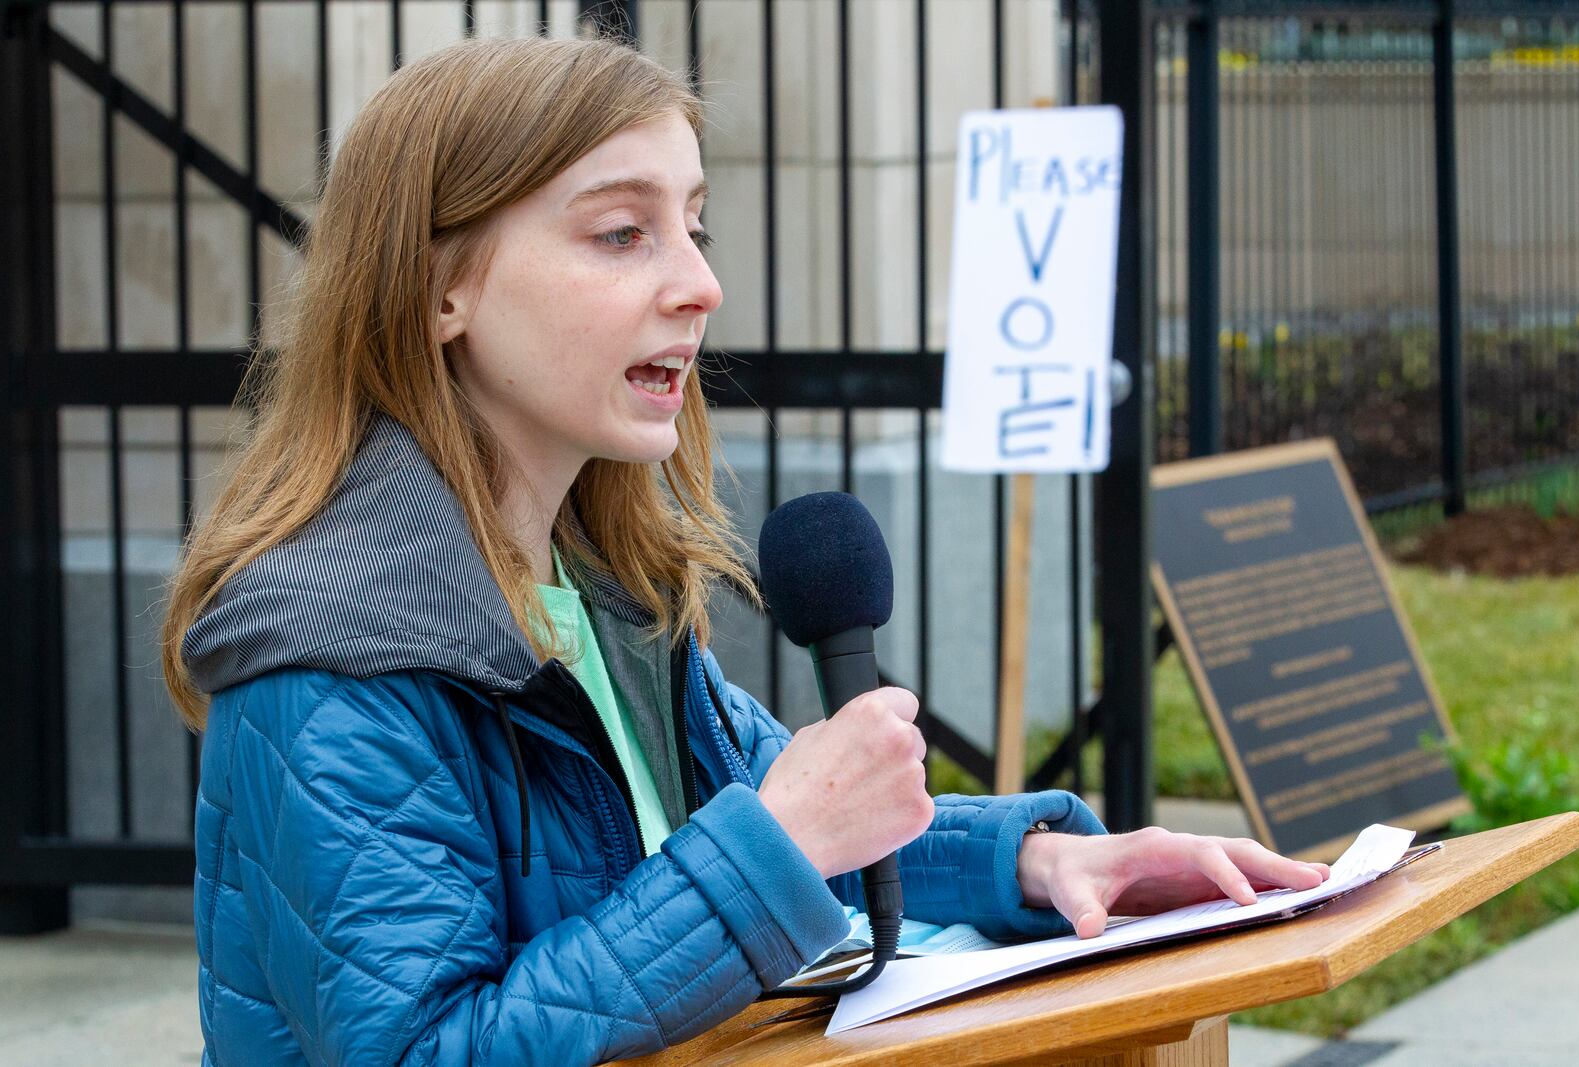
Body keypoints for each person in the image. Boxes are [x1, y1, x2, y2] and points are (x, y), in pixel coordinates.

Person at [161, 35, 1328, 1067]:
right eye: (623, 234)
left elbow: (798, 833)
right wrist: (774, 837)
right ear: (438, 289)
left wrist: (1038, 865)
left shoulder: (599, 597)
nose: (700, 284)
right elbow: (429, 1047)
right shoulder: (327, 664)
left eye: (693, 227)